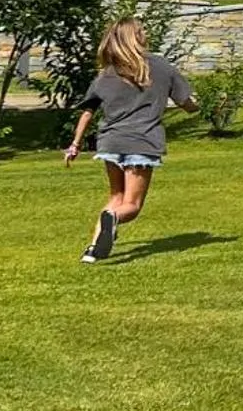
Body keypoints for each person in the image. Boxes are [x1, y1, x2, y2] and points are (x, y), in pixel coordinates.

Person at [65, 19, 198, 263]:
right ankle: (113, 221)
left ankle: (93, 251)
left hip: (110, 144)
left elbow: (87, 112)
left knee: (116, 197)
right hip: (142, 143)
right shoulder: (160, 67)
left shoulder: (106, 75)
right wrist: (196, 107)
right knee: (132, 205)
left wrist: (75, 145)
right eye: (142, 30)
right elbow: (185, 102)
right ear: (135, 37)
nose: (145, 33)